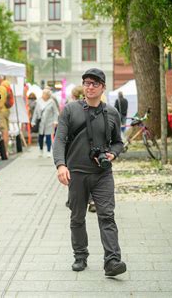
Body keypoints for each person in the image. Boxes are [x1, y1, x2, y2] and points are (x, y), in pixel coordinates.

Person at [53, 68, 126, 277]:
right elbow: (59, 139)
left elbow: (118, 142)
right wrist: (60, 165)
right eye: (86, 83)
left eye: (95, 83)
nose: (90, 87)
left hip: (102, 174)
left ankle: (112, 261)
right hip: (76, 173)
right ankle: (80, 256)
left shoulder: (111, 113)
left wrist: (112, 154)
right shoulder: (70, 110)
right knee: (77, 217)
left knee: (107, 216)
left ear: (103, 87)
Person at [31, 89, 59, 158]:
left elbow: (56, 112)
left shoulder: (52, 102)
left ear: (48, 95)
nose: (43, 95)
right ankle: (41, 150)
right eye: (43, 93)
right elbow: (35, 113)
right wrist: (33, 121)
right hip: (41, 122)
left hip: (49, 122)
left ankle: (49, 151)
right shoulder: (39, 101)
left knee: (48, 137)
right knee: (40, 137)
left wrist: (55, 121)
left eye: (44, 94)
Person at [0, 80, 11, 157]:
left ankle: (5, 151)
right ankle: (6, 150)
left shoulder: (2, 88)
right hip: (7, 111)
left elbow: (0, 102)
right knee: (6, 131)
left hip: (2, 111)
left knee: (3, 131)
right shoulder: (8, 87)